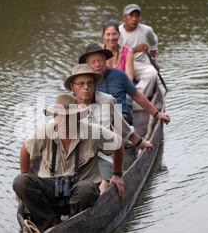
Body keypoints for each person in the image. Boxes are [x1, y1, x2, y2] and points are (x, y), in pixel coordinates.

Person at [12, 94, 124, 232]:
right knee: (20, 181)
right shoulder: (44, 133)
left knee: (86, 190)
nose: (64, 121)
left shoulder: (93, 132)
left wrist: (117, 174)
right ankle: (49, 219)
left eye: (69, 116)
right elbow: (25, 150)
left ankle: (73, 220)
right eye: (59, 116)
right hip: (52, 189)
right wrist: (24, 175)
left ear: (77, 116)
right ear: (54, 117)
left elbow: (118, 144)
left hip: (80, 190)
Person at [64, 64, 154, 193]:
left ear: (94, 84)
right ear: (73, 86)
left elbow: (122, 128)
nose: (86, 88)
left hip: (102, 156)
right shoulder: (65, 104)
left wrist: (141, 143)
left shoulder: (107, 101)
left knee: (102, 187)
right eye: (81, 84)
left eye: (89, 83)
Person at [79, 43, 170, 126]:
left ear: (105, 60)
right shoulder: (84, 81)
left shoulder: (119, 75)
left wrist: (157, 114)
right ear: (87, 64)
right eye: (93, 62)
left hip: (120, 119)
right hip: (96, 121)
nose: (97, 64)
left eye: (100, 60)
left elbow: (137, 96)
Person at [118, 4, 158, 101]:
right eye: (131, 16)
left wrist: (153, 59)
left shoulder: (146, 30)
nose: (134, 19)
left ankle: (136, 96)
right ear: (124, 17)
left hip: (140, 63)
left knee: (152, 73)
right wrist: (135, 49)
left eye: (137, 16)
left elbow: (153, 42)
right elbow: (117, 54)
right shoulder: (118, 32)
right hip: (123, 63)